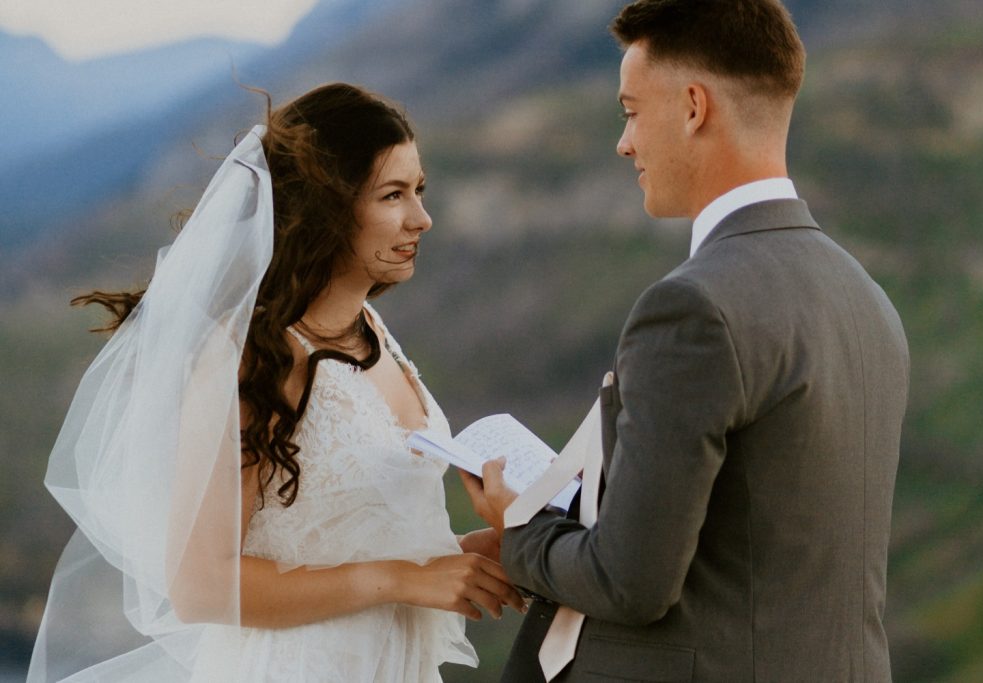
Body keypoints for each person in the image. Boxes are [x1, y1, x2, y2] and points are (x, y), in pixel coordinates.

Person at [461, 1, 910, 681]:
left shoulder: (692, 307)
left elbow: (630, 581)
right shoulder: (869, 301)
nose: (625, 142)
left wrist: (522, 527)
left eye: (631, 111)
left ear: (694, 107)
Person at [28, 82, 523, 683]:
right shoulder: (252, 359)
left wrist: (473, 558)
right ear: (327, 207)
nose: (421, 217)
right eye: (393, 195)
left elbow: (351, 539)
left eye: (419, 191)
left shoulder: (372, 329)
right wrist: (403, 577)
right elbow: (203, 586)